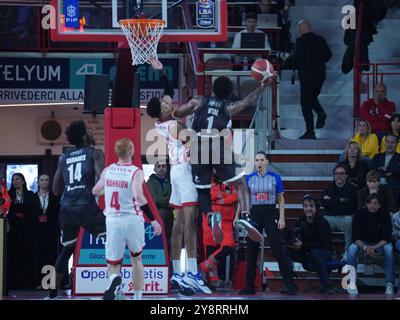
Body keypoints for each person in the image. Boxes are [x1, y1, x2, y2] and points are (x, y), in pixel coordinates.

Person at [172, 73, 267, 245]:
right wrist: (262, 86)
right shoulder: (229, 107)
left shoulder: (199, 100)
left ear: (212, 90)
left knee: (203, 191)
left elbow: (178, 112)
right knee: (241, 185)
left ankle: (210, 215)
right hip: (218, 147)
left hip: (198, 147)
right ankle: (245, 216)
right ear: (230, 93)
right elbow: (247, 101)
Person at [147, 57, 211, 295]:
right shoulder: (174, 125)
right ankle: (192, 273)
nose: (168, 104)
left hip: (176, 172)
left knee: (177, 225)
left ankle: (176, 272)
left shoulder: (160, 122)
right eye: (165, 106)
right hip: (184, 171)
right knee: (189, 222)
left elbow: (166, 93)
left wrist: (162, 71)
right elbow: (193, 144)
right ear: (161, 114)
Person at [92, 138, 162, 300]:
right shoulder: (135, 171)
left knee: (113, 263)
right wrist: (153, 220)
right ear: (131, 151)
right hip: (132, 219)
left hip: (113, 221)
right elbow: (138, 196)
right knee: (137, 259)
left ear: (117, 153)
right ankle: (137, 296)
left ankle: (115, 284)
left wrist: (109, 190)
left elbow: (96, 190)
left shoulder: (108, 170)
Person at [47, 120, 106, 299]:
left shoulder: (63, 158)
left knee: (67, 249)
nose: (91, 132)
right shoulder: (94, 153)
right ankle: (115, 284)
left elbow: (56, 190)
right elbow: (103, 179)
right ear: (83, 136)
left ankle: (52, 291)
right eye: (88, 130)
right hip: (86, 205)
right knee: (114, 238)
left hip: (66, 208)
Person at [238, 151, 297, 295]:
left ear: (267, 161)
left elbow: (281, 199)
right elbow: (243, 199)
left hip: (270, 214)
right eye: (257, 160)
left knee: (278, 250)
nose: (259, 162)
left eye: (261, 160)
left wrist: (282, 217)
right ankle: (249, 287)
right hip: (255, 215)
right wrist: (237, 216)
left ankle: (290, 285)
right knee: (251, 251)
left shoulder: (275, 178)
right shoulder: (249, 178)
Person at [282, 20, 332, 139]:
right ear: (309, 28)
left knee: (306, 103)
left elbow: (297, 59)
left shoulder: (300, 41)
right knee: (312, 98)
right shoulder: (320, 39)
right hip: (320, 75)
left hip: (307, 76)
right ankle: (321, 113)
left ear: (300, 30)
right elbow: (328, 55)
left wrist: (286, 63)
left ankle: (310, 131)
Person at [287, 194, 338, 294]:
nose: (308, 209)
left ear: (316, 207)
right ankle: (290, 285)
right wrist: (293, 243)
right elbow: (294, 236)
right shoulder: (300, 221)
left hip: (324, 253)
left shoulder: (322, 222)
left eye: (311, 206)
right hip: (306, 252)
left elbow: (324, 245)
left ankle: (327, 286)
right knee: (285, 251)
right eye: (305, 206)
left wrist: (303, 246)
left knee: (315, 252)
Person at [346, 194, 394, 295]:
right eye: (370, 203)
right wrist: (365, 247)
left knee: (389, 250)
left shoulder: (385, 214)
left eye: (375, 203)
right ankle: (352, 283)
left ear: (380, 205)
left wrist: (375, 247)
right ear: (366, 204)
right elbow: (355, 237)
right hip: (363, 243)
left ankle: (389, 284)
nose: (372, 205)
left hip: (380, 243)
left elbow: (387, 237)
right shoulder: (359, 214)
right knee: (351, 249)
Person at [200, 175, 237, 290]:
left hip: (227, 219)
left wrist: (221, 199)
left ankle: (204, 266)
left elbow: (237, 196)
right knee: (210, 247)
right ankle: (212, 281)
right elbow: (209, 196)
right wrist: (226, 197)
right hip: (211, 217)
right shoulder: (207, 180)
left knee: (229, 246)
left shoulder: (233, 180)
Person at [7, 173, 37, 290]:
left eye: (18, 179)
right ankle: (12, 283)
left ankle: (27, 283)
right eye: (13, 179)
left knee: (27, 256)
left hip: (27, 230)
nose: (15, 181)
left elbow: (33, 211)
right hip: (13, 230)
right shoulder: (9, 195)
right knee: (14, 256)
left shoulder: (30, 194)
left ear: (23, 181)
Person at [320, 163, 358, 259]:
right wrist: (340, 200)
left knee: (349, 222)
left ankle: (347, 252)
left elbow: (351, 206)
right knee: (321, 223)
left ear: (346, 175)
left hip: (345, 217)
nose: (339, 175)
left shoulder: (352, 188)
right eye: (336, 173)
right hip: (330, 217)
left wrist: (332, 200)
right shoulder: (328, 187)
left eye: (341, 173)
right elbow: (323, 203)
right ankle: (328, 251)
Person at [34, 174, 60, 289]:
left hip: (51, 231)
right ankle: (39, 282)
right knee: (38, 256)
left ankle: (50, 283)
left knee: (51, 256)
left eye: (46, 180)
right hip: (36, 232)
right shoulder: (32, 197)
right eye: (41, 180)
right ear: (38, 182)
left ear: (49, 182)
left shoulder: (54, 198)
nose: (44, 182)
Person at [146, 162, 173, 257]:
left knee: (170, 240)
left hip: (170, 217)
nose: (161, 168)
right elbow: (155, 200)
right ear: (155, 169)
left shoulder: (170, 182)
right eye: (159, 166)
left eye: (164, 166)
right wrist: (167, 202)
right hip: (156, 215)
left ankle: (170, 261)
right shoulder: (149, 183)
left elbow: (173, 198)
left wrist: (167, 202)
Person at [371, 134, 400, 204]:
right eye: (388, 142)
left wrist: (385, 168)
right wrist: (390, 172)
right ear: (385, 143)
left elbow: (398, 170)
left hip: (393, 186)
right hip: (377, 183)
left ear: (396, 144)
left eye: (392, 142)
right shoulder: (377, 157)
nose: (389, 144)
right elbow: (373, 171)